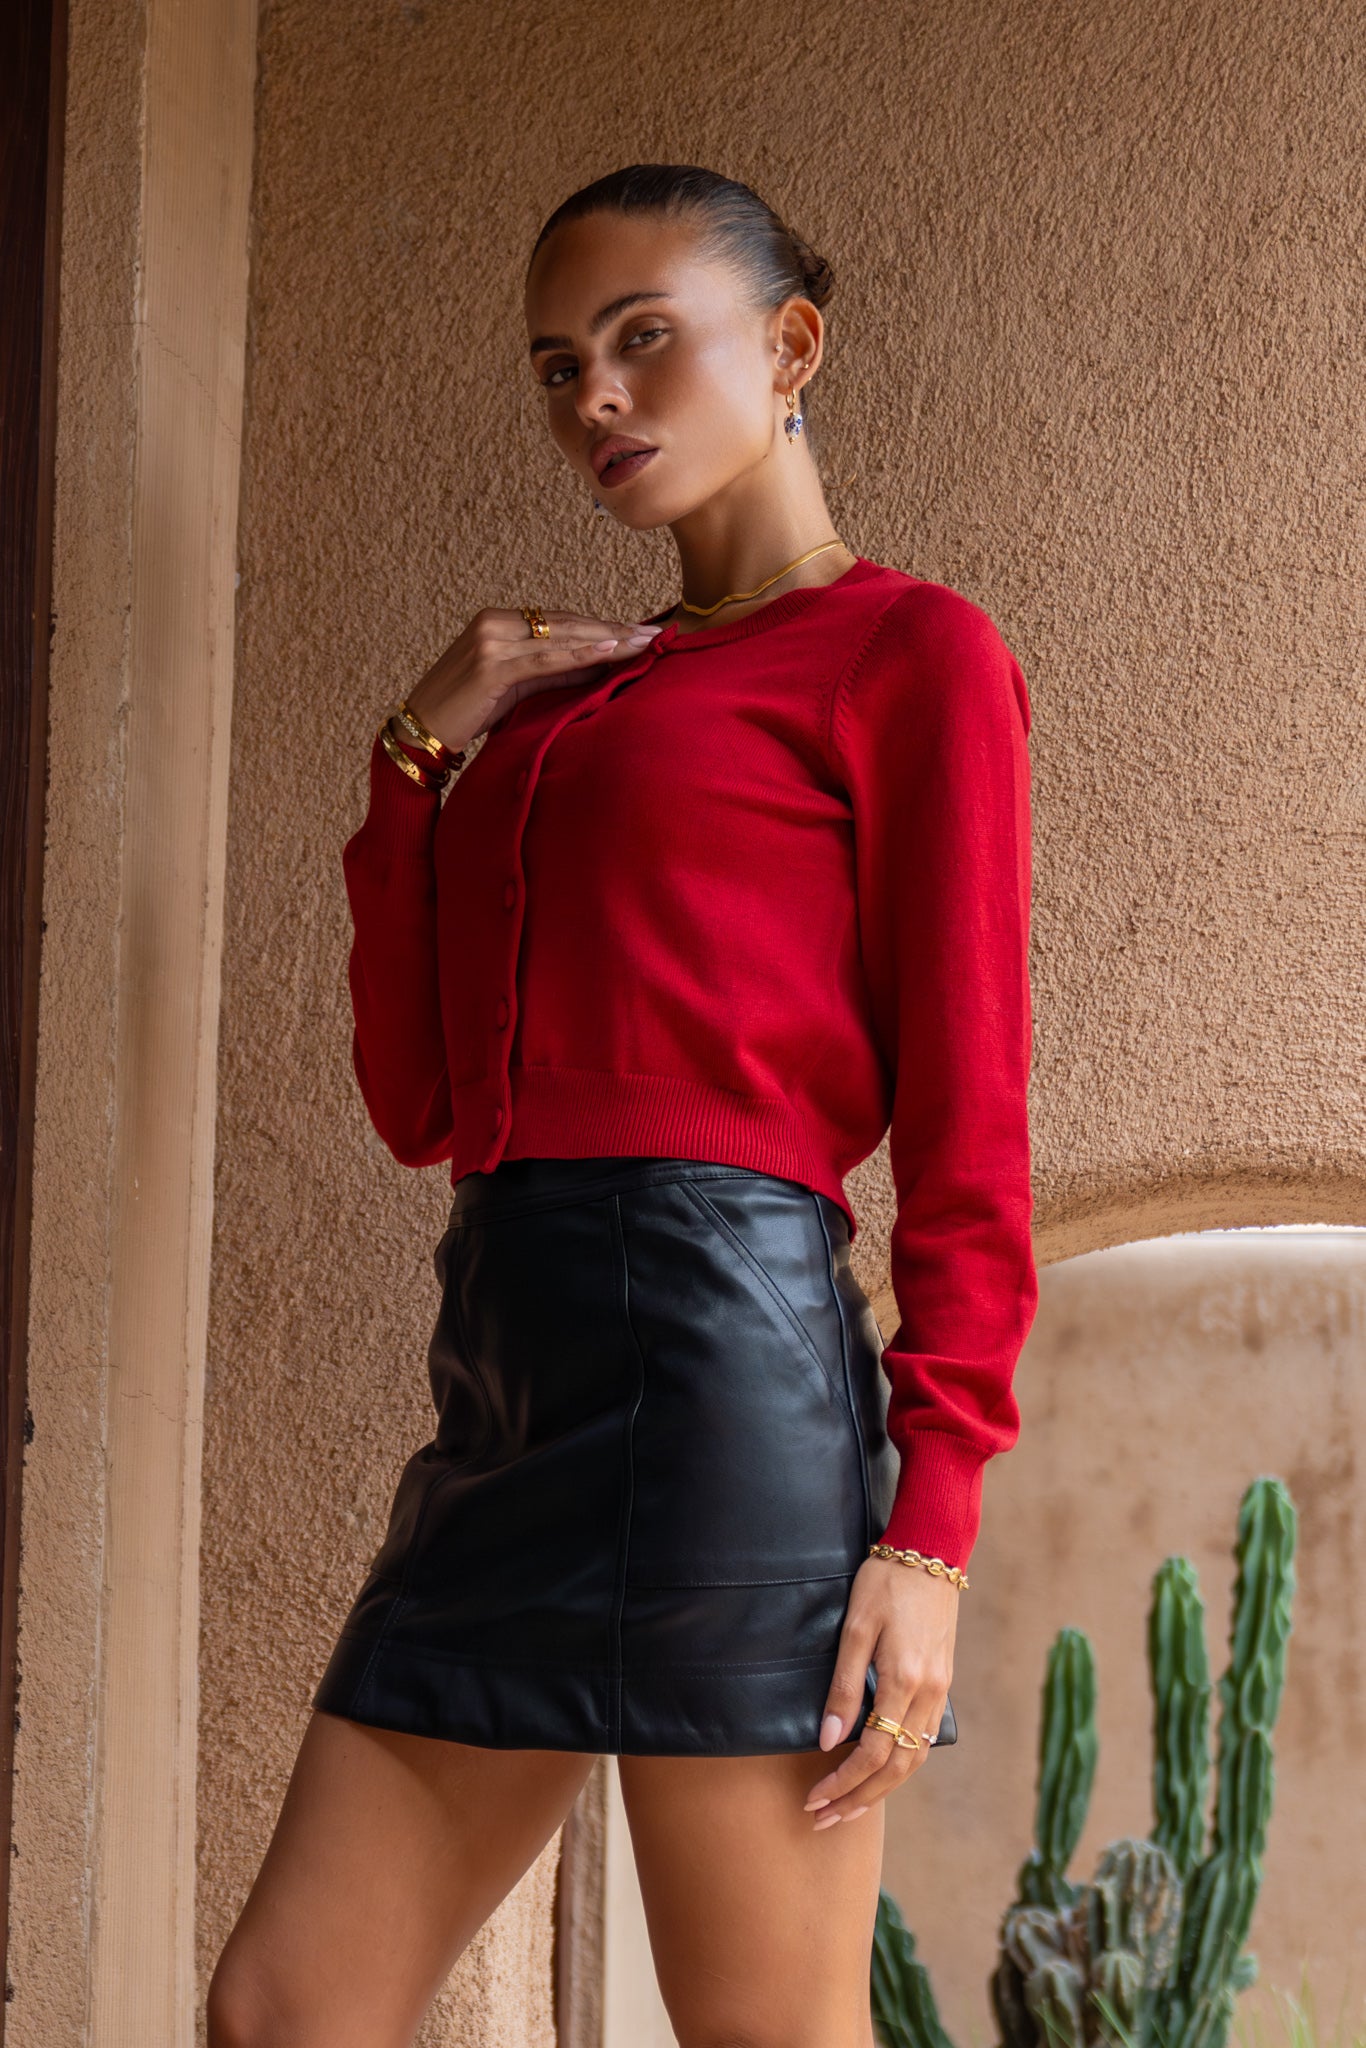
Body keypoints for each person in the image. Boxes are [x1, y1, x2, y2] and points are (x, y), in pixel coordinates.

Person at [207, 161, 1038, 2048]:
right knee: (286, 2008)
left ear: (792, 345)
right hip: (505, 1372)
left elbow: (971, 1126)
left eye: (644, 340)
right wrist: (419, 756)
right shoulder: (556, 697)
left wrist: (929, 1530)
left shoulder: (910, 653)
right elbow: (426, 1103)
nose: (595, 396)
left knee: (759, 2032)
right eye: (560, 365)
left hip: (728, 1361)